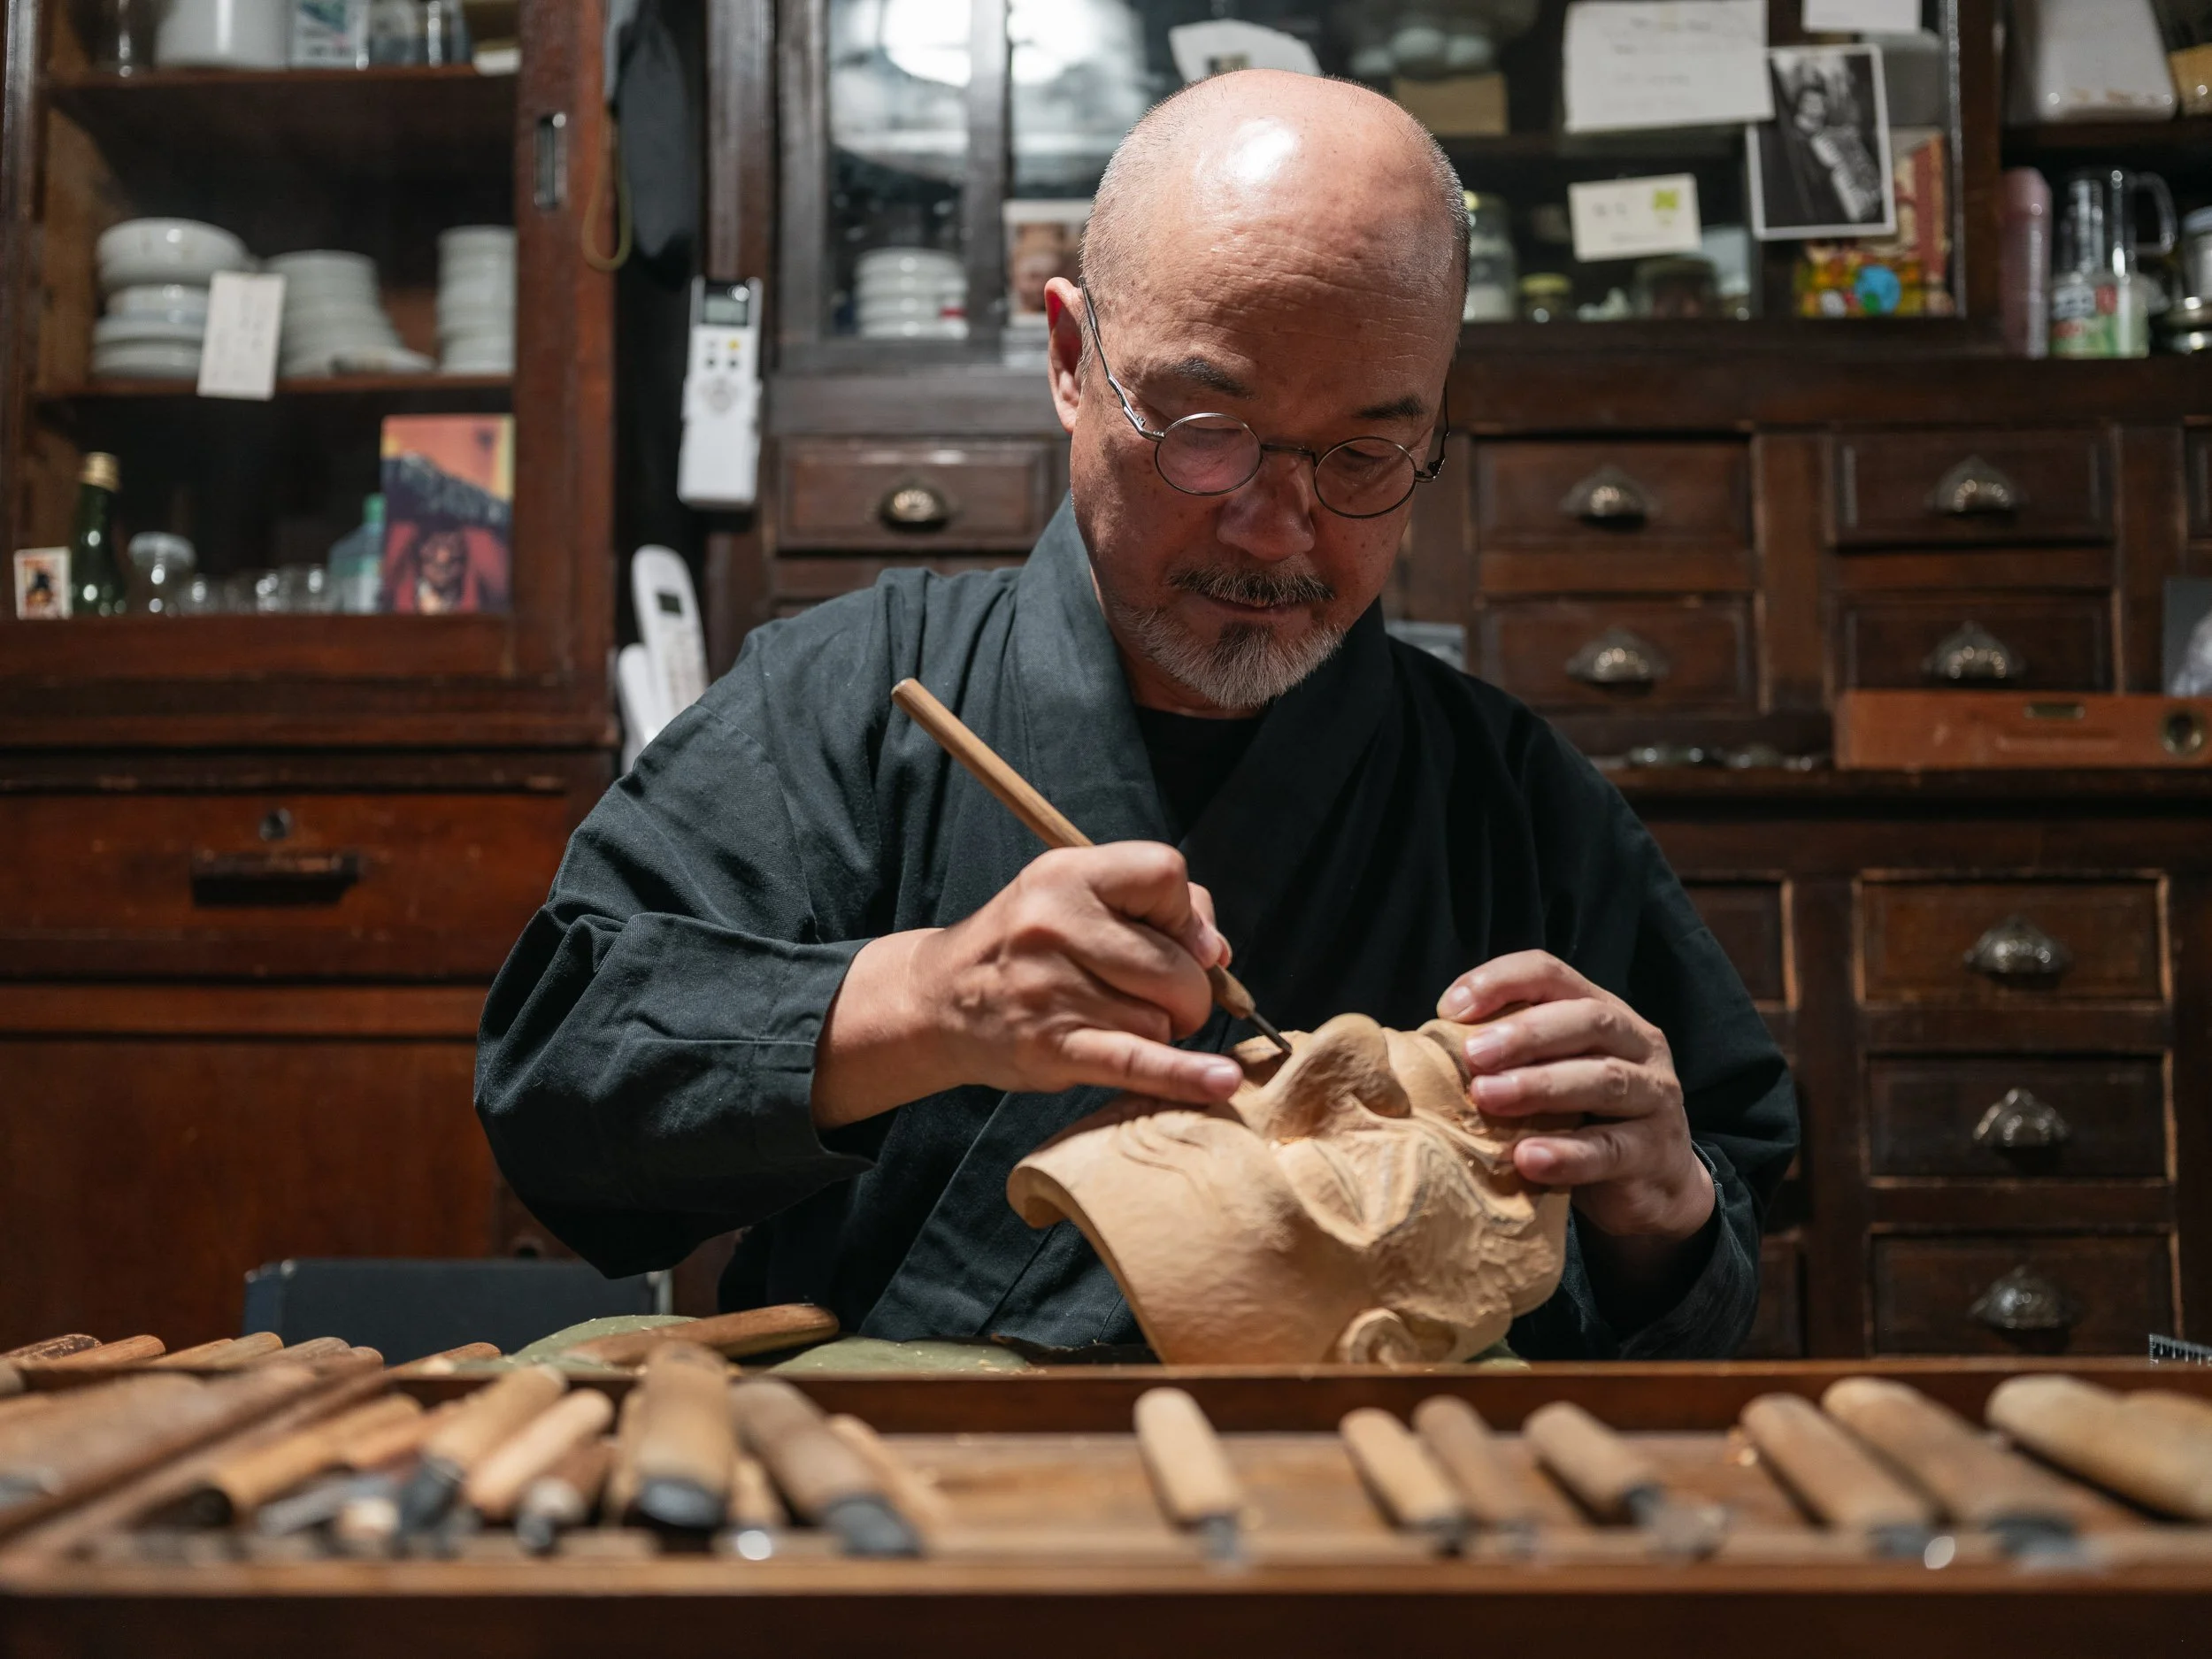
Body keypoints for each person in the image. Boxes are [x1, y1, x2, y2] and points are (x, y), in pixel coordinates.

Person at [477, 70, 1798, 1359]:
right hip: (920, 1513)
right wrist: (925, 1000)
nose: (1277, 527)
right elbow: (553, 1085)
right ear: (1070, 358)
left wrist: (1660, 1201)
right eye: (1206, 428)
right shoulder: (852, 701)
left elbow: (1718, 1245)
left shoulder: (1506, 796)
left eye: (1363, 455)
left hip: (1374, 1522)